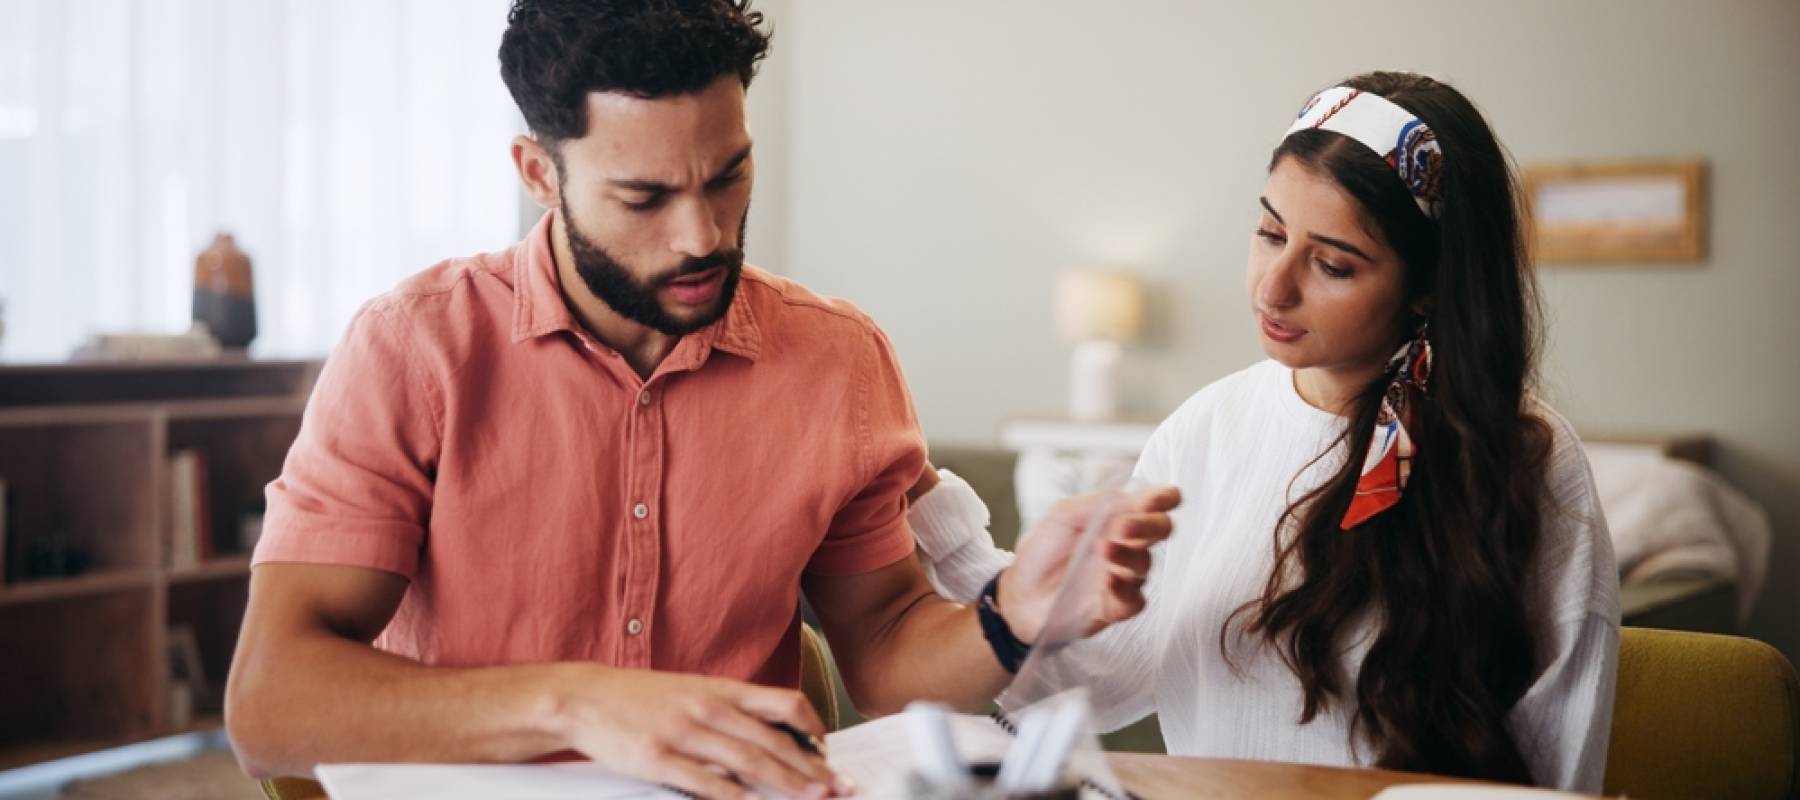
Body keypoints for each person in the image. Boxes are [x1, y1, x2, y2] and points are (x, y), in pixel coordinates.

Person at [223, 3, 1178, 799]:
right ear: (536, 173)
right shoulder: (414, 347)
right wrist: (580, 703)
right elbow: (272, 703)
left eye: (729, 176)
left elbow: (884, 653)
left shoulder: (835, 360)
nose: (702, 236)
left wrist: (1014, 613)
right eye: (644, 197)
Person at [908, 71, 1620, 792]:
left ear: (1429, 286)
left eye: (1334, 264)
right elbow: (1094, 681)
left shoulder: (1527, 460)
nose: (1272, 287)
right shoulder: (1207, 430)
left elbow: (1559, 769)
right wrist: (928, 505)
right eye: (1269, 232)